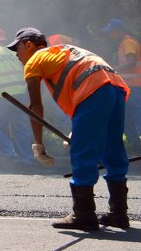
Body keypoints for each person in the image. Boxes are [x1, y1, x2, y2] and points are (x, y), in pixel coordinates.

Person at [10, 27, 131, 231]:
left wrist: (38, 144)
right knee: (113, 149)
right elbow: (82, 90)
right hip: (114, 86)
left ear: (29, 44)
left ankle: (83, 214)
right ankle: (118, 214)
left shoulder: (34, 60)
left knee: (82, 152)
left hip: (93, 88)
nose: (17, 56)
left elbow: (35, 107)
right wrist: (78, 129)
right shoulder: (61, 52)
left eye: (18, 49)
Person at [0, 28, 32, 163]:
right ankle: (27, 158)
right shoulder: (13, 51)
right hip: (19, 95)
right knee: (21, 127)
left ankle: (9, 154)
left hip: (0, 96)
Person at [102, 18, 141, 152]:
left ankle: (136, 145)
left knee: (135, 115)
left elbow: (131, 62)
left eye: (111, 32)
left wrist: (112, 69)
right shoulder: (126, 43)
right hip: (130, 87)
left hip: (134, 87)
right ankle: (136, 146)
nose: (110, 35)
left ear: (118, 31)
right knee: (127, 116)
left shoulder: (128, 43)